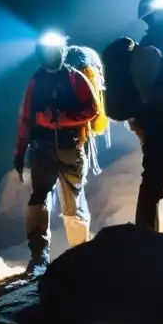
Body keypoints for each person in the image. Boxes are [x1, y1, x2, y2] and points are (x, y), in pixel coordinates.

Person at [13, 32, 99, 276]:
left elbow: (92, 110)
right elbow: (26, 118)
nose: (53, 54)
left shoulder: (75, 78)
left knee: (73, 201)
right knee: (40, 198)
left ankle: (80, 256)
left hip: (70, 147)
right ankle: (39, 256)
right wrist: (20, 151)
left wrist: (60, 119)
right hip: (44, 149)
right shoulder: (37, 81)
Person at [129, 0, 163, 231]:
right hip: (154, 125)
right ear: (158, 18)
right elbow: (149, 95)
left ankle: (149, 237)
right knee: (154, 182)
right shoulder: (149, 52)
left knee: (157, 183)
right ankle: (146, 239)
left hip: (158, 124)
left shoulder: (158, 49)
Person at [45, 45, 111, 239]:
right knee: (73, 201)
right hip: (72, 143)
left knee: (55, 200)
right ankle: (79, 250)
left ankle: (57, 255)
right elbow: (93, 112)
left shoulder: (47, 78)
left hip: (52, 145)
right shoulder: (79, 76)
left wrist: (51, 119)